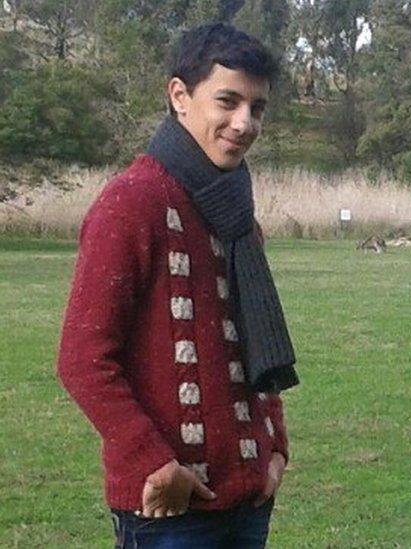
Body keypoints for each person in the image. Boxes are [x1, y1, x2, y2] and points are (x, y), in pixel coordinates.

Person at [57, 22, 299, 548]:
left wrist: (275, 446)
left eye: (256, 108)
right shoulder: (132, 202)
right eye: (227, 101)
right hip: (169, 509)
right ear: (179, 96)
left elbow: (261, 345)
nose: (244, 123)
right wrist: (155, 463)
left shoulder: (239, 212)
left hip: (249, 499)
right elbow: (83, 359)